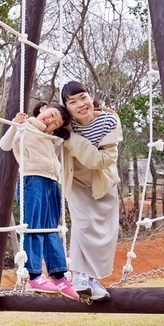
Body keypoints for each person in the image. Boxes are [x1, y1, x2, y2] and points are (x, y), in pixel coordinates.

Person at [0, 101, 80, 300]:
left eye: (56, 123)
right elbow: (5, 145)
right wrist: (14, 124)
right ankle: (34, 275)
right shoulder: (25, 126)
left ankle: (58, 275)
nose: (50, 121)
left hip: (51, 183)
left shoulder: (48, 136)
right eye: (51, 114)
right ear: (43, 108)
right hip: (32, 180)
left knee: (51, 229)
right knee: (34, 227)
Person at [58, 81, 123, 301]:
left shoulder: (108, 120)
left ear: (90, 97)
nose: (80, 105)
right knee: (82, 225)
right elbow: (43, 120)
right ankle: (79, 277)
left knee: (106, 234)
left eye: (82, 97)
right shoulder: (65, 124)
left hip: (102, 181)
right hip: (76, 181)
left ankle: (92, 280)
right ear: (66, 107)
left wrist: (71, 141)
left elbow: (104, 160)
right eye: (72, 102)